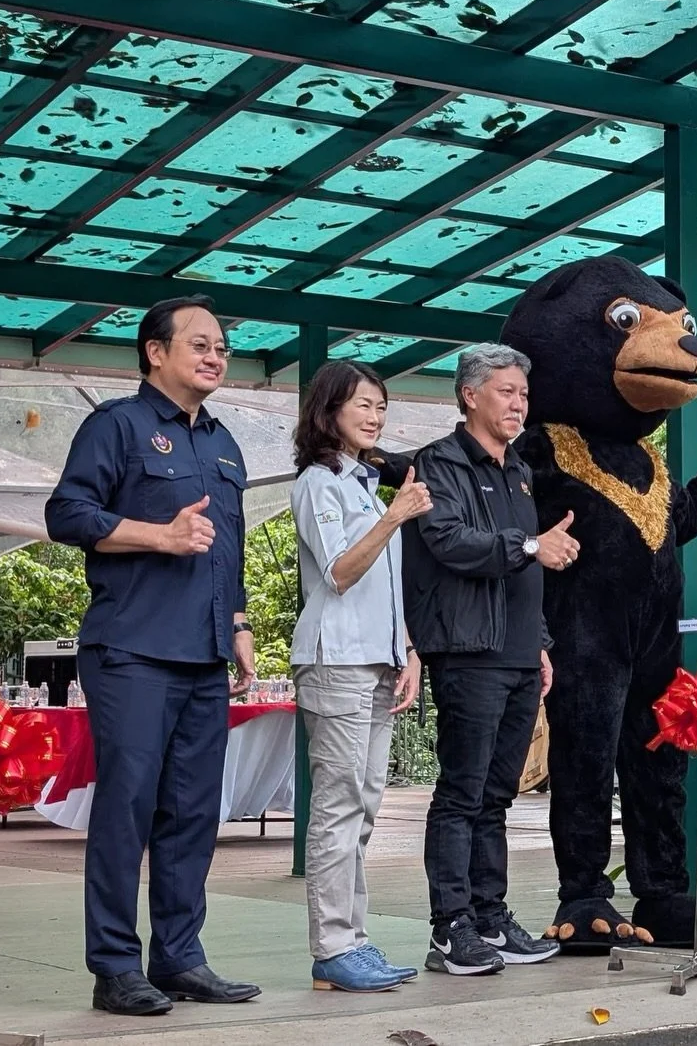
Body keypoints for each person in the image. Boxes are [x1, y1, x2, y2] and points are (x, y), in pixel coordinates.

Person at [44, 294, 260, 1017]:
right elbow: (67, 513)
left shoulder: (225, 443)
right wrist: (154, 534)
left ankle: (179, 957)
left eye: (222, 348)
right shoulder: (118, 425)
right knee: (127, 809)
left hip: (203, 655)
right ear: (155, 352)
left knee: (193, 813)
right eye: (200, 343)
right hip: (133, 647)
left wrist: (236, 622)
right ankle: (114, 966)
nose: (215, 356)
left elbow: (224, 545)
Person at [401, 343, 577, 976]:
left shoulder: (519, 469)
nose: (519, 403)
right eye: (507, 391)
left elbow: (526, 572)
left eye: (523, 393)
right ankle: (449, 928)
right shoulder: (437, 464)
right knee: (461, 792)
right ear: (470, 396)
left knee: (497, 797)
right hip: (467, 651)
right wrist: (532, 542)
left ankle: (488, 916)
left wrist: (539, 642)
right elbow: (449, 541)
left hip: (518, 653)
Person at [289, 360, 433, 992]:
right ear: (329, 411)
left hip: (374, 659)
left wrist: (406, 649)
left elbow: (384, 586)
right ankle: (333, 946)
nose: (376, 416)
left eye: (381, 407)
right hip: (336, 659)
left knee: (364, 807)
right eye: (363, 405)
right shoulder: (319, 482)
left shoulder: (365, 485)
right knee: (340, 806)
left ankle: (353, 939)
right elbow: (341, 572)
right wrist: (395, 515)